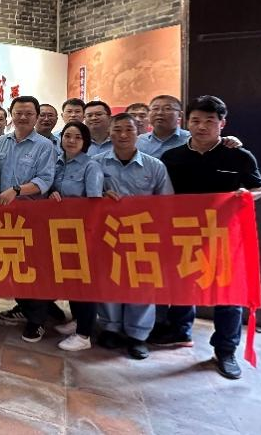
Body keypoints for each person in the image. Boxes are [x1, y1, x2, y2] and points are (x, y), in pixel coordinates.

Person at [156, 96, 261, 379]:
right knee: (182, 283)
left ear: (222, 123)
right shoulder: (172, 157)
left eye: (209, 121)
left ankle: (226, 349)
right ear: (187, 123)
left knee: (227, 293)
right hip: (183, 233)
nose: (202, 126)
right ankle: (179, 330)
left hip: (224, 236)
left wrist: (246, 195)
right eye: (196, 121)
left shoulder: (239, 156)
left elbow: (259, 188)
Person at [93, 112, 174, 360]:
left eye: (129, 129)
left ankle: (138, 335)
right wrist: (101, 196)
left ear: (139, 132)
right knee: (109, 281)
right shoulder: (96, 163)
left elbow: (167, 203)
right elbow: (87, 198)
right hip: (108, 234)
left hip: (142, 234)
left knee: (142, 285)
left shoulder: (154, 166)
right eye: (117, 130)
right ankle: (110, 327)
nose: (123, 135)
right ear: (109, 133)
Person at [0, 96, 56, 342]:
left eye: (28, 113)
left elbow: (45, 180)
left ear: (36, 116)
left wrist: (17, 190)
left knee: (34, 268)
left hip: (32, 217)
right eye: (18, 112)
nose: (22, 117)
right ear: (11, 115)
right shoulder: (1, 142)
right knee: (14, 264)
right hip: (4, 218)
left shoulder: (44, 146)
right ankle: (24, 307)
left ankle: (37, 321)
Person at [46, 121, 104, 351]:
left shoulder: (91, 166)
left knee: (84, 282)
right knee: (71, 279)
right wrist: (52, 193)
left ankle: (84, 334)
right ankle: (78, 320)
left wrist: (88, 235)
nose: (71, 141)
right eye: (67, 136)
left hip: (83, 232)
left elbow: (94, 204)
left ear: (85, 141)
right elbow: (51, 187)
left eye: (77, 137)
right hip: (60, 231)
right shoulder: (57, 163)